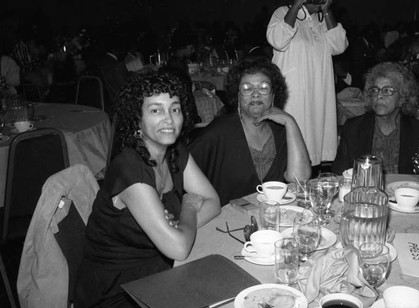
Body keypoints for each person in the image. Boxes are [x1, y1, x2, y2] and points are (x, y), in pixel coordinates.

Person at [75, 71, 221, 307]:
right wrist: (188, 208)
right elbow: (178, 247)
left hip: (157, 272)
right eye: (156, 110)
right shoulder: (130, 169)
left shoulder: (174, 151)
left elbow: (213, 202)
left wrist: (180, 226)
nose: (169, 119)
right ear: (137, 119)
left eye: (174, 109)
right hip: (116, 291)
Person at [188, 57, 311, 205]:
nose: (255, 94)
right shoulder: (218, 133)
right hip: (226, 222)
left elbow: (299, 179)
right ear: (237, 95)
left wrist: (290, 122)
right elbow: (181, 172)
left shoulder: (282, 132)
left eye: (264, 87)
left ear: (273, 95)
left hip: (272, 220)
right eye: (247, 88)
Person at [266, 0, 348, 166]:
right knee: (290, 144)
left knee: (315, 140)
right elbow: (277, 40)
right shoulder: (283, 12)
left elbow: (339, 46)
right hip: (293, 91)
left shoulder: (323, 19)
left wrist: (326, 11)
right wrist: (297, 5)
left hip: (318, 91)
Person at [332, 62, 419, 174]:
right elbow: (340, 174)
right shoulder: (353, 128)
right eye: (374, 90)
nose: (379, 96)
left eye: (387, 90)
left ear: (402, 98)